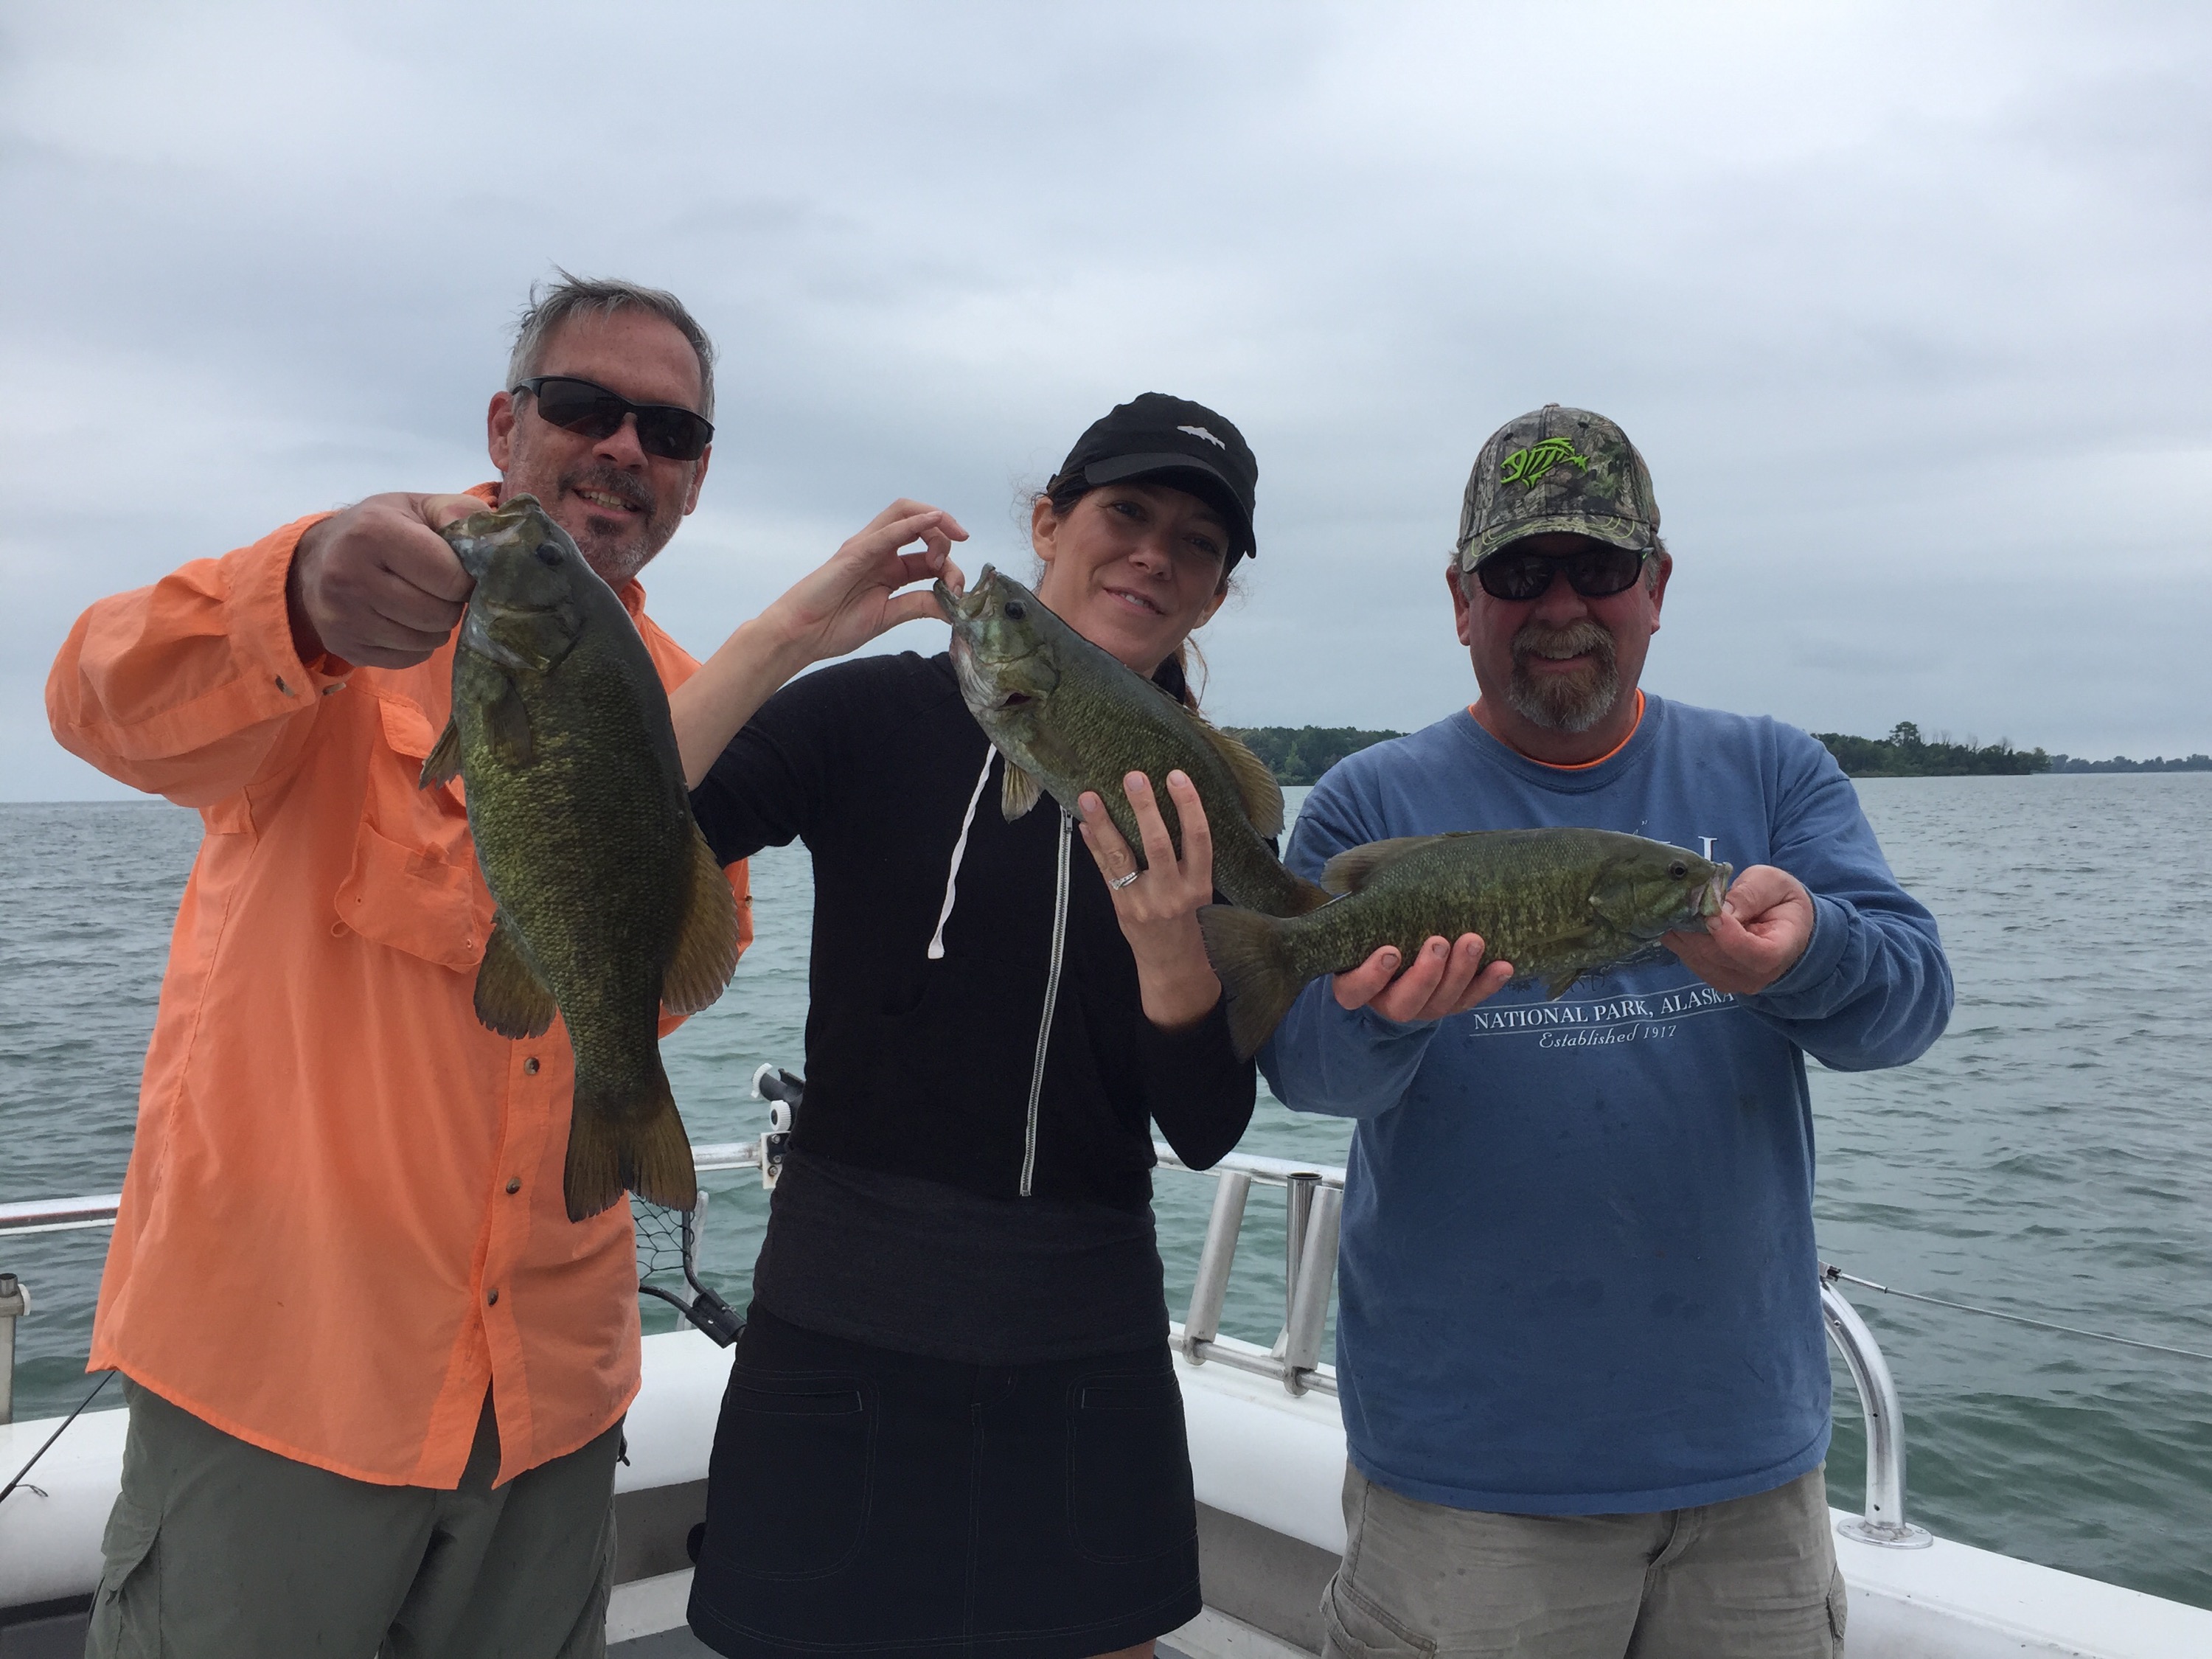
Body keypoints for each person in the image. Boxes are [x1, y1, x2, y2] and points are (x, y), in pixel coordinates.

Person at [47, 275, 780, 1659]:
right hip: (287, 1374)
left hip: (550, 1409)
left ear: (693, 481)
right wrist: (300, 591)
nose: (627, 447)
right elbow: (94, 697)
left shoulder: (692, 705)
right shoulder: (341, 612)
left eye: (669, 432)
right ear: (507, 425)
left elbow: (677, 968)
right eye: (585, 407)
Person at [1261, 405, 1953, 1659]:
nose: (1562, 604)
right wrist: (1384, 1026)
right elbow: (1306, 1070)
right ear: (1463, 599)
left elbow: (1908, 1006)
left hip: (1749, 1475)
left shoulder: (1774, 774)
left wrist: (1806, 952)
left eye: (1600, 567)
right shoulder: (1370, 799)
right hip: (1468, 1482)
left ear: (1658, 583)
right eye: (1520, 573)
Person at [668, 394, 1265, 1659]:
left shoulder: (1209, 801)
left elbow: (1207, 1128)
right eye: (1127, 512)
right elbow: (631, 827)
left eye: (1199, 543)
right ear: (1049, 522)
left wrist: (1173, 962)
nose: (1157, 553)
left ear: (1214, 596)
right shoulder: (867, 717)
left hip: (1084, 1345)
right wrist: (783, 640)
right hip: (842, 1326)